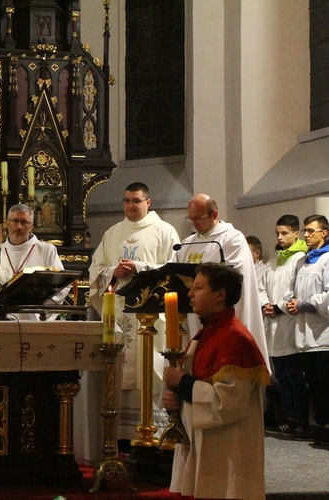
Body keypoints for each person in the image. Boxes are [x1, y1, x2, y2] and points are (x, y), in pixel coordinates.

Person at [162, 263, 269, 499]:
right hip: (209, 444)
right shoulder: (207, 333)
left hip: (229, 449)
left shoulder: (235, 338)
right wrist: (174, 398)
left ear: (220, 295)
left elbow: (227, 404)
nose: (189, 293)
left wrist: (183, 384)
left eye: (198, 288)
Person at [88, 182, 180, 441]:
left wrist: (141, 267)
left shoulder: (165, 231)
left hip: (150, 315)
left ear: (148, 202)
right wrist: (111, 272)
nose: (130, 205)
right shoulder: (113, 232)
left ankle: (154, 429)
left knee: (149, 368)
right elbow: (96, 270)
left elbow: (174, 269)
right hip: (119, 314)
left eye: (136, 200)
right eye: (127, 200)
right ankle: (123, 436)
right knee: (121, 368)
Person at [172, 193, 270, 369]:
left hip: (222, 316)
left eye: (199, 218)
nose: (194, 223)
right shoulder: (186, 244)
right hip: (193, 314)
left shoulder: (232, 239)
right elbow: (170, 270)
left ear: (214, 214)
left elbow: (233, 275)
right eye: (190, 219)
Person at [261, 215, 308, 437]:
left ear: (296, 233)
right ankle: (288, 417)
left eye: (285, 233)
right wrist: (265, 304)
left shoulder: (300, 259)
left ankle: (300, 420)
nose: (280, 237)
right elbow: (261, 286)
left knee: (294, 375)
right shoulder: (273, 262)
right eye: (277, 233)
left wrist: (279, 307)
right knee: (281, 375)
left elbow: (299, 290)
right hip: (273, 326)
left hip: (291, 323)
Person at [285, 214, 329, 445]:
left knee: (324, 383)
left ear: (325, 233)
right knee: (313, 384)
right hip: (305, 334)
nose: (306, 235)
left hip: (323, 335)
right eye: (305, 231)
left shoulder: (328, 259)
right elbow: (295, 290)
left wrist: (304, 304)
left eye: (311, 230)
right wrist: (293, 302)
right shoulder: (303, 261)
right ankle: (320, 424)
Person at [0, 203, 66, 318]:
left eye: (24, 222)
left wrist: (40, 309)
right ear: (7, 223)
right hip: (0, 319)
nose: (19, 227)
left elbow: (61, 284)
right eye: (15, 221)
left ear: (31, 226)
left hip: (33, 320)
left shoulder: (46, 251)